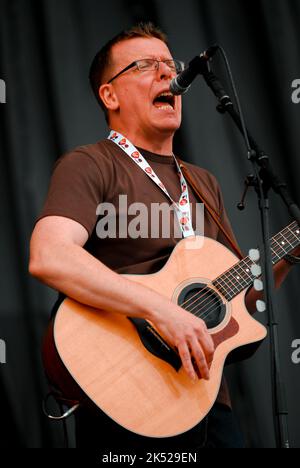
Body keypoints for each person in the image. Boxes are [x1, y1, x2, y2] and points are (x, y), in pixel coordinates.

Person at [29, 22, 300, 450]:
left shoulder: (203, 184)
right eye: (144, 66)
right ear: (110, 95)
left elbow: (238, 302)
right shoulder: (90, 165)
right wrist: (161, 310)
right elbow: (50, 256)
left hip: (206, 397)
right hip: (128, 392)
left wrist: (288, 255)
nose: (166, 74)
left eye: (168, 65)